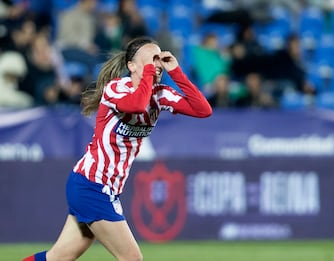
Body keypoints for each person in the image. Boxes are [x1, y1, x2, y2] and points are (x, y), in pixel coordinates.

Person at [23, 36, 212, 261]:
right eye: (151, 59)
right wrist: (150, 73)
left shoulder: (160, 95)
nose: (157, 64)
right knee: (132, 258)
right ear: (131, 66)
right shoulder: (116, 89)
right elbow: (137, 105)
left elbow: (203, 110)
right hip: (92, 184)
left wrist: (177, 72)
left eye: (159, 59)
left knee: (58, 258)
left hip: (101, 187)